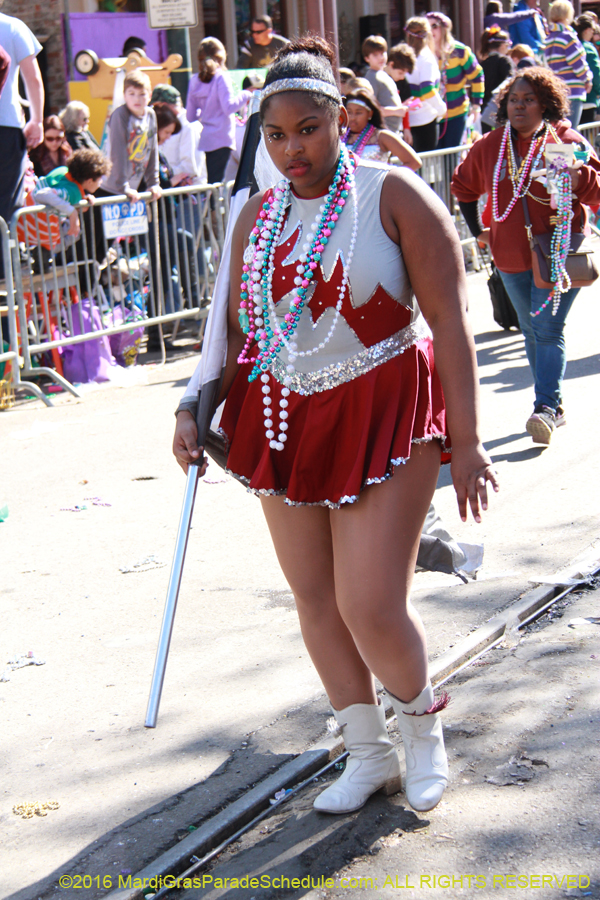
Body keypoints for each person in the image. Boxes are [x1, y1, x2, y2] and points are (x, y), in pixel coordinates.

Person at [173, 36, 498, 816]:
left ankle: (423, 732)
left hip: (386, 405)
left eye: (308, 129)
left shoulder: (395, 196)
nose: (293, 149)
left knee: (370, 603)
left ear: (341, 116)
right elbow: (225, 329)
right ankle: (367, 750)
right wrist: (193, 405)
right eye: (276, 135)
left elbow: (450, 328)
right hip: (283, 413)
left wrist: (470, 439)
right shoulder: (255, 215)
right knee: (315, 599)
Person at [451, 68, 600, 445]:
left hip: (557, 253)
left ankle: (546, 407)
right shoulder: (491, 144)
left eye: (529, 99)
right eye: (514, 100)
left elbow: (596, 192)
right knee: (532, 329)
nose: (520, 106)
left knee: (547, 327)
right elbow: (462, 187)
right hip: (510, 257)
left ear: (546, 104)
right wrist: (477, 232)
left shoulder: (561, 140)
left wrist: (578, 175)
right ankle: (554, 405)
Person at [0, 7, 44, 234]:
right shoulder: (13, 27)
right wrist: (37, 120)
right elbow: (33, 79)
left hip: (9, 125)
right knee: (5, 205)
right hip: (7, 126)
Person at [186, 38, 254, 185]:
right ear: (221, 57)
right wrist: (246, 94)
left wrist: (205, 114)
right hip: (222, 138)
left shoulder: (194, 81)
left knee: (212, 182)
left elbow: (190, 116)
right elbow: (229, 107)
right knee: (219, 185)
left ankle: (213, 208)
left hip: (206, 140)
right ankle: (214, 209)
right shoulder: (221, 77)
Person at [426, 12, 484, 149]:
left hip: (456, 112)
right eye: (426, 27)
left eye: (434, 26)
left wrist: (476, 106)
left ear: (444, 28)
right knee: (433, 158)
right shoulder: (422, 53)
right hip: (430, 115)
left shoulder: (460, 51)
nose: (430, 31)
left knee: (453, 157)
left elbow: (477, 76)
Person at [31, 148, 110, 244]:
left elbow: (61, 194)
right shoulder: (73, 192)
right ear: (89, 181)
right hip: (33, 227)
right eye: (100, 179)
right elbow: (42, 194)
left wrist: (81, 200)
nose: (101, 182)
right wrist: (72, 212)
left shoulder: (63, 170)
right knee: (73, 236)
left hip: (29, 220)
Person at [343, 89, 422, 170]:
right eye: (349, 112)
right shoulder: (339, 137)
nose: (352, 117)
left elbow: (414, 162)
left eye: (358, 113)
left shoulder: (382, 136)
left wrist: (389, 179)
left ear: (370, 113)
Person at [545, 1, 592, 129]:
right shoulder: (567, 37)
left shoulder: (549, 38)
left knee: (558, 131)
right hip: (572, 90)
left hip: (556, 90)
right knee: (569, 131)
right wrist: (587, 79)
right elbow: (577, 63)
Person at [403, 17, 447, 152]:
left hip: (407, 120)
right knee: (425, 167)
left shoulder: (403, 56)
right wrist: (441, 109)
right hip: (426, 119)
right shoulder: (427, 58)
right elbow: (427, 90)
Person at [361, 35, 406, 134]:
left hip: (394, 130)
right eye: (375, 55)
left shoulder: (383, 74)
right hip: (384, 131)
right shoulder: (372, 78)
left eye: (382, 53)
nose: (381, 58)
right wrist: (396, 111)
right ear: (367, 58)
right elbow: (371, 109)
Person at [479, 28, 513, 134]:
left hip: (484, 109)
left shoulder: (482, 64)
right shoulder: (505, 61)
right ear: (503, 45)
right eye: (508, 45)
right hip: (500, 107)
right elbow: (511, 80)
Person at [385, 44, 418, 146]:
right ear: (391, 65)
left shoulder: (403, 82)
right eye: (400, 73)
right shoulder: (380, 80)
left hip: (395, 130)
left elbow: (405, 105)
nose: (402, 77)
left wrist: (406, 129)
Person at [574, 14, 600, 124]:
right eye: (593, 30)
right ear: (588, 30)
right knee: (588, 138)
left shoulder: (571, 45)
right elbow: (596, 73)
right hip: (589, 99)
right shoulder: (588, 48)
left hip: (572, 98)